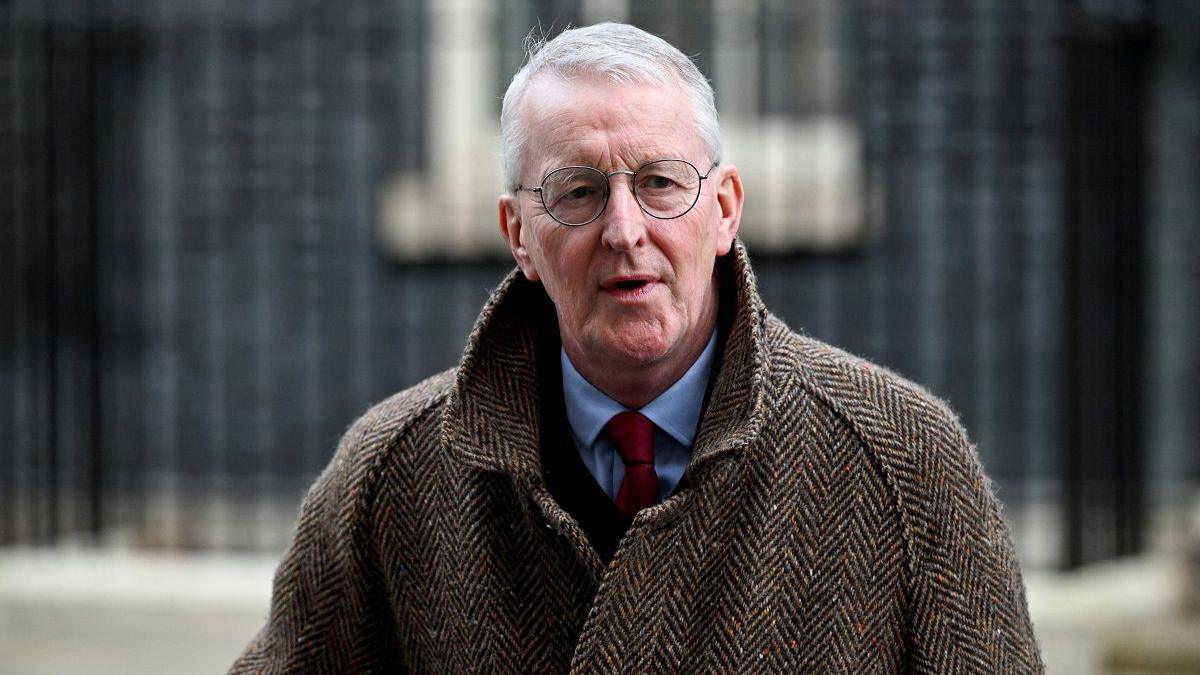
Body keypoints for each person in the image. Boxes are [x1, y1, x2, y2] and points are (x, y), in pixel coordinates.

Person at [231, 22, 1042, 673]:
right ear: (517, 231)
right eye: (578, 191)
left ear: (724, 209)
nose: (626, 231)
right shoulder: (392, 478)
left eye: (660, 182)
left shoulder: (904, 462)